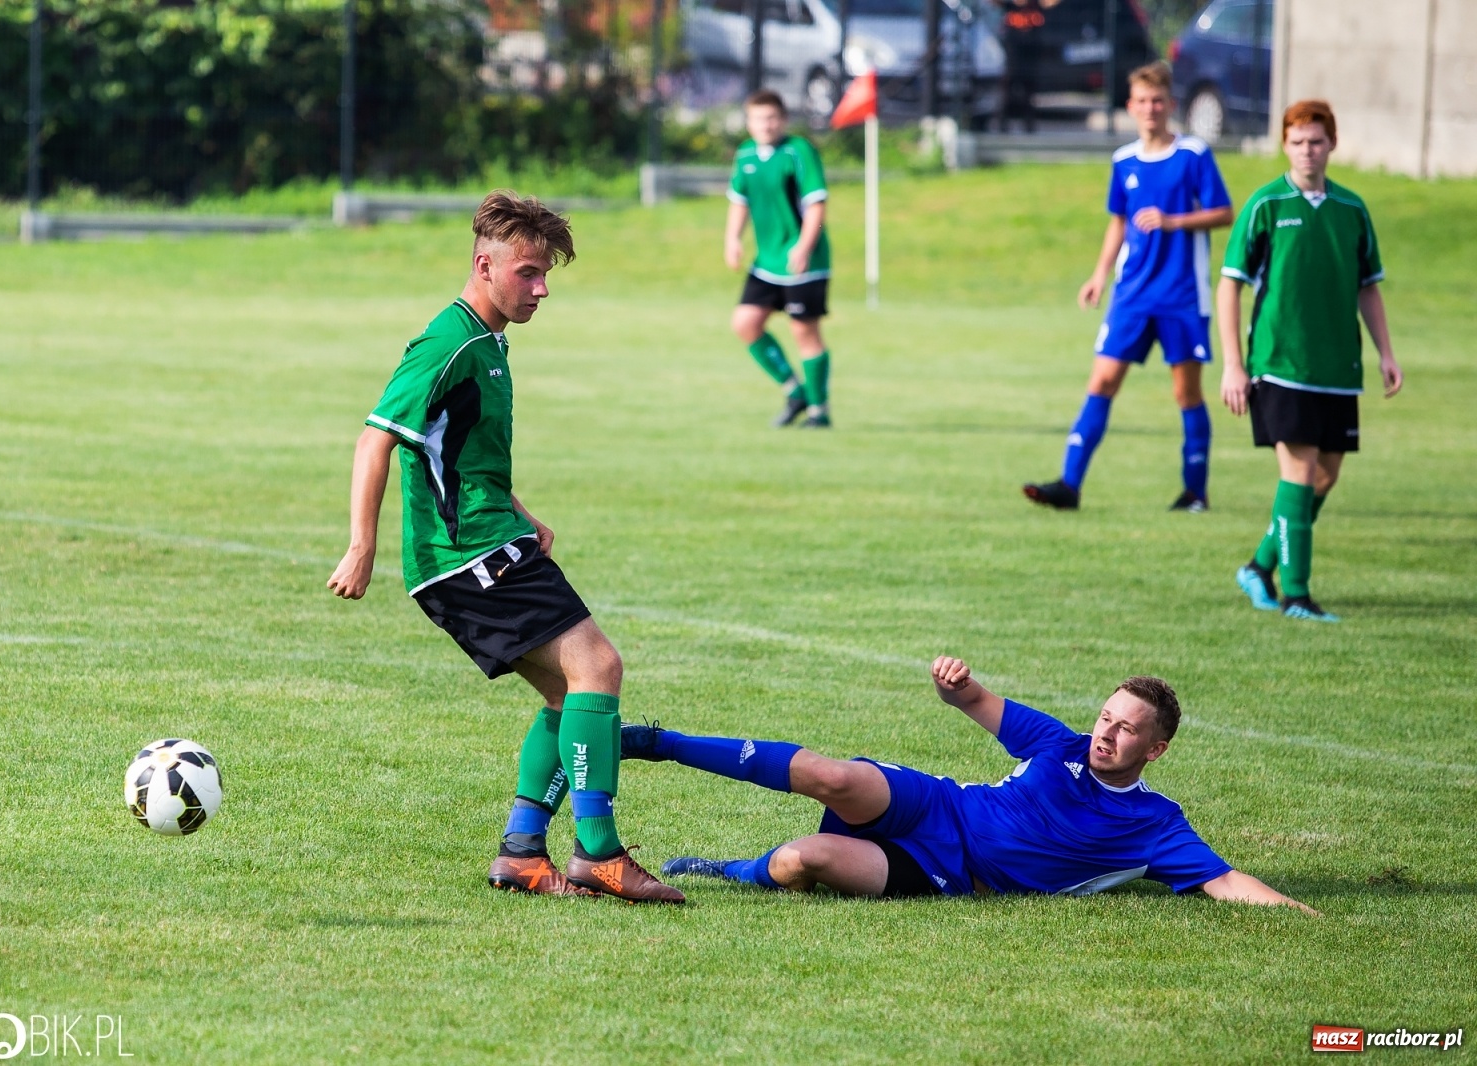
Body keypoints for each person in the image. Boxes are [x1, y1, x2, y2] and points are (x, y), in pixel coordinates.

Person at [327, 191, 683, 903]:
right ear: (484, 265)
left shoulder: (488, 340)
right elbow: (375, 439)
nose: (542, 288)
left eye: (545, 274)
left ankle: (522, 853)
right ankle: (600, 853)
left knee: (568, 691)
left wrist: (522, 513)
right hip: (467, 555)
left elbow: (457, 451)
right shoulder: (449, 343)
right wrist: (362, 545)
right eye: (528, 272)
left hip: (486, 540)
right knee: (598, 666)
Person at [621, 654, 1316, 914]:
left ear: (1156, 749)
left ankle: (731, 870)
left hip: (950, 874)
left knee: (805, 859)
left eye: (1127, 729)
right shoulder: (1059, 743)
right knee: (832, 776)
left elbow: (1226, 881)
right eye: (1106, 716)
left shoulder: (1156, 825)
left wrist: (1306, 915)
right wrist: (953, 685)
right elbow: (973, 700)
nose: (1106, 733)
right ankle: (658, 742)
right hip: (938, 804)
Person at [1219, 100, 1402, 623]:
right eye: (1297, 142)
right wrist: (1234, 364)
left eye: (1316, 141)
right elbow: (1230, 285)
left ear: (1332, 144)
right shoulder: (1266, 204)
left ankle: (1259, 566)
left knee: (1325, 475)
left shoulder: (1351, 209)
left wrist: (1386, 353)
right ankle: (1296, 596)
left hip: (1337, 367)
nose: (1307, 151)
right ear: (1284, 144)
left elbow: (1368, 287)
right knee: (1298, 471)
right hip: (1280, 364)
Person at [1024, 62, 1233, 512]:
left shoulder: (1193, 154)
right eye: (1142, 101)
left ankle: (1195, 492)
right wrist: (1099, 274)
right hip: (1132, 293)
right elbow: (1118, 222)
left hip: (1181, 294)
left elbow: (1224, 212)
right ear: (1130, 107)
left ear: (1170, 105)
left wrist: (1172, 221)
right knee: (1101, 380)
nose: (1150, 109)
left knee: (1186, 392)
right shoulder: (1123, 161)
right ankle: (1069, 485)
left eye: (1157, 101)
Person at [725, 90, 834, 429]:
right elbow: (739, 199)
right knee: (745, 323)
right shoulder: (745, 154)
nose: (766, 125)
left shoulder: (799, 151)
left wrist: (804, 246)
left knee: (804, 332)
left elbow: (816, 203)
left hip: (805, 262)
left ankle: (819, 412)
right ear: (749, 122)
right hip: (767, 261)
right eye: (759, 118)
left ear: (783, 120)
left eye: (772, 118)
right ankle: (795, 391)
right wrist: (732, 238)